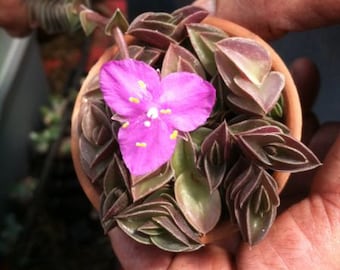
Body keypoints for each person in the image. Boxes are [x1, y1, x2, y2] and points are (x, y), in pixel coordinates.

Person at [1, 0, 340, 269]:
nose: (150, 112)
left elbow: (202, 95)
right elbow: (118, 77)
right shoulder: (135, 105)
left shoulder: (188, 96)